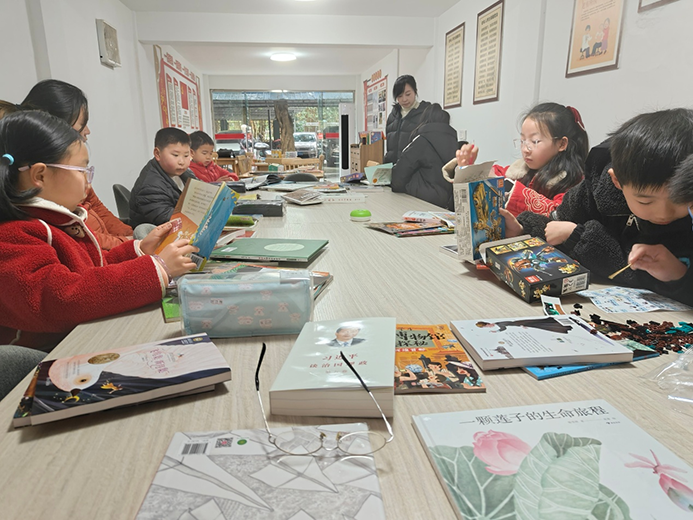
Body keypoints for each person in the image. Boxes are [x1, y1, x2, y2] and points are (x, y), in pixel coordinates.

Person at [0, 111, 198, 350]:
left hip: (85, 337)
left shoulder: (57, 222)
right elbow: (63, 298)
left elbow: (94, 267)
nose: (88, 181)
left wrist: (139, 251)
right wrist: (158, 268)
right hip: (49, 355)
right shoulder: (13, 236)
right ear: (40, 175)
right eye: (81, 170)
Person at [509, 108, 693, 306]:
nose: (664, 213)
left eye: (680, 200)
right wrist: (521, 229)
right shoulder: (598, 188)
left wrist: (679, 274)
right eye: (645, 201)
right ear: (617, 180)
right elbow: (555, 224)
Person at [0, 80, 134, 250]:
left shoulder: (67, 179)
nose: (87, 132)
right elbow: (81, 237)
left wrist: (131, 238)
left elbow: (97, 208)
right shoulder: (35, 229)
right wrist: (130, 245)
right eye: (80, 127)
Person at [456, 102, 589, 217]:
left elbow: (558, 213)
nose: (525, 149)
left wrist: (511, 190)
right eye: (522, 141)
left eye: (535, 141)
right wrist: (470, 169)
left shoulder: (574, 182)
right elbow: (497, 173)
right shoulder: (520, 171)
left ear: (561, 144)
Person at [391, 103, 458, 210]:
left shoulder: (421, 142)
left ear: (424, 120)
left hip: (419, 202)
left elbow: (397, 180)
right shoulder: (456, 145)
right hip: (448, 206)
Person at [129, 128, 197, 227]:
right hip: (159, 232)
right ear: (157, 154)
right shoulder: (150, 187)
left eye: (186, 156)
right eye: (175, 155)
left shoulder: (183, 172)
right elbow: (169, 220)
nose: (182, 162)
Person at [384, 75, 431, 164]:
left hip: (416, 169)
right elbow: (390, 150)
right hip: (394, 168)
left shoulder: (425, 114)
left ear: (415, 91)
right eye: (400, 96)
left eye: (408, 94)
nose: (404, 99)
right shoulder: (392, 116)